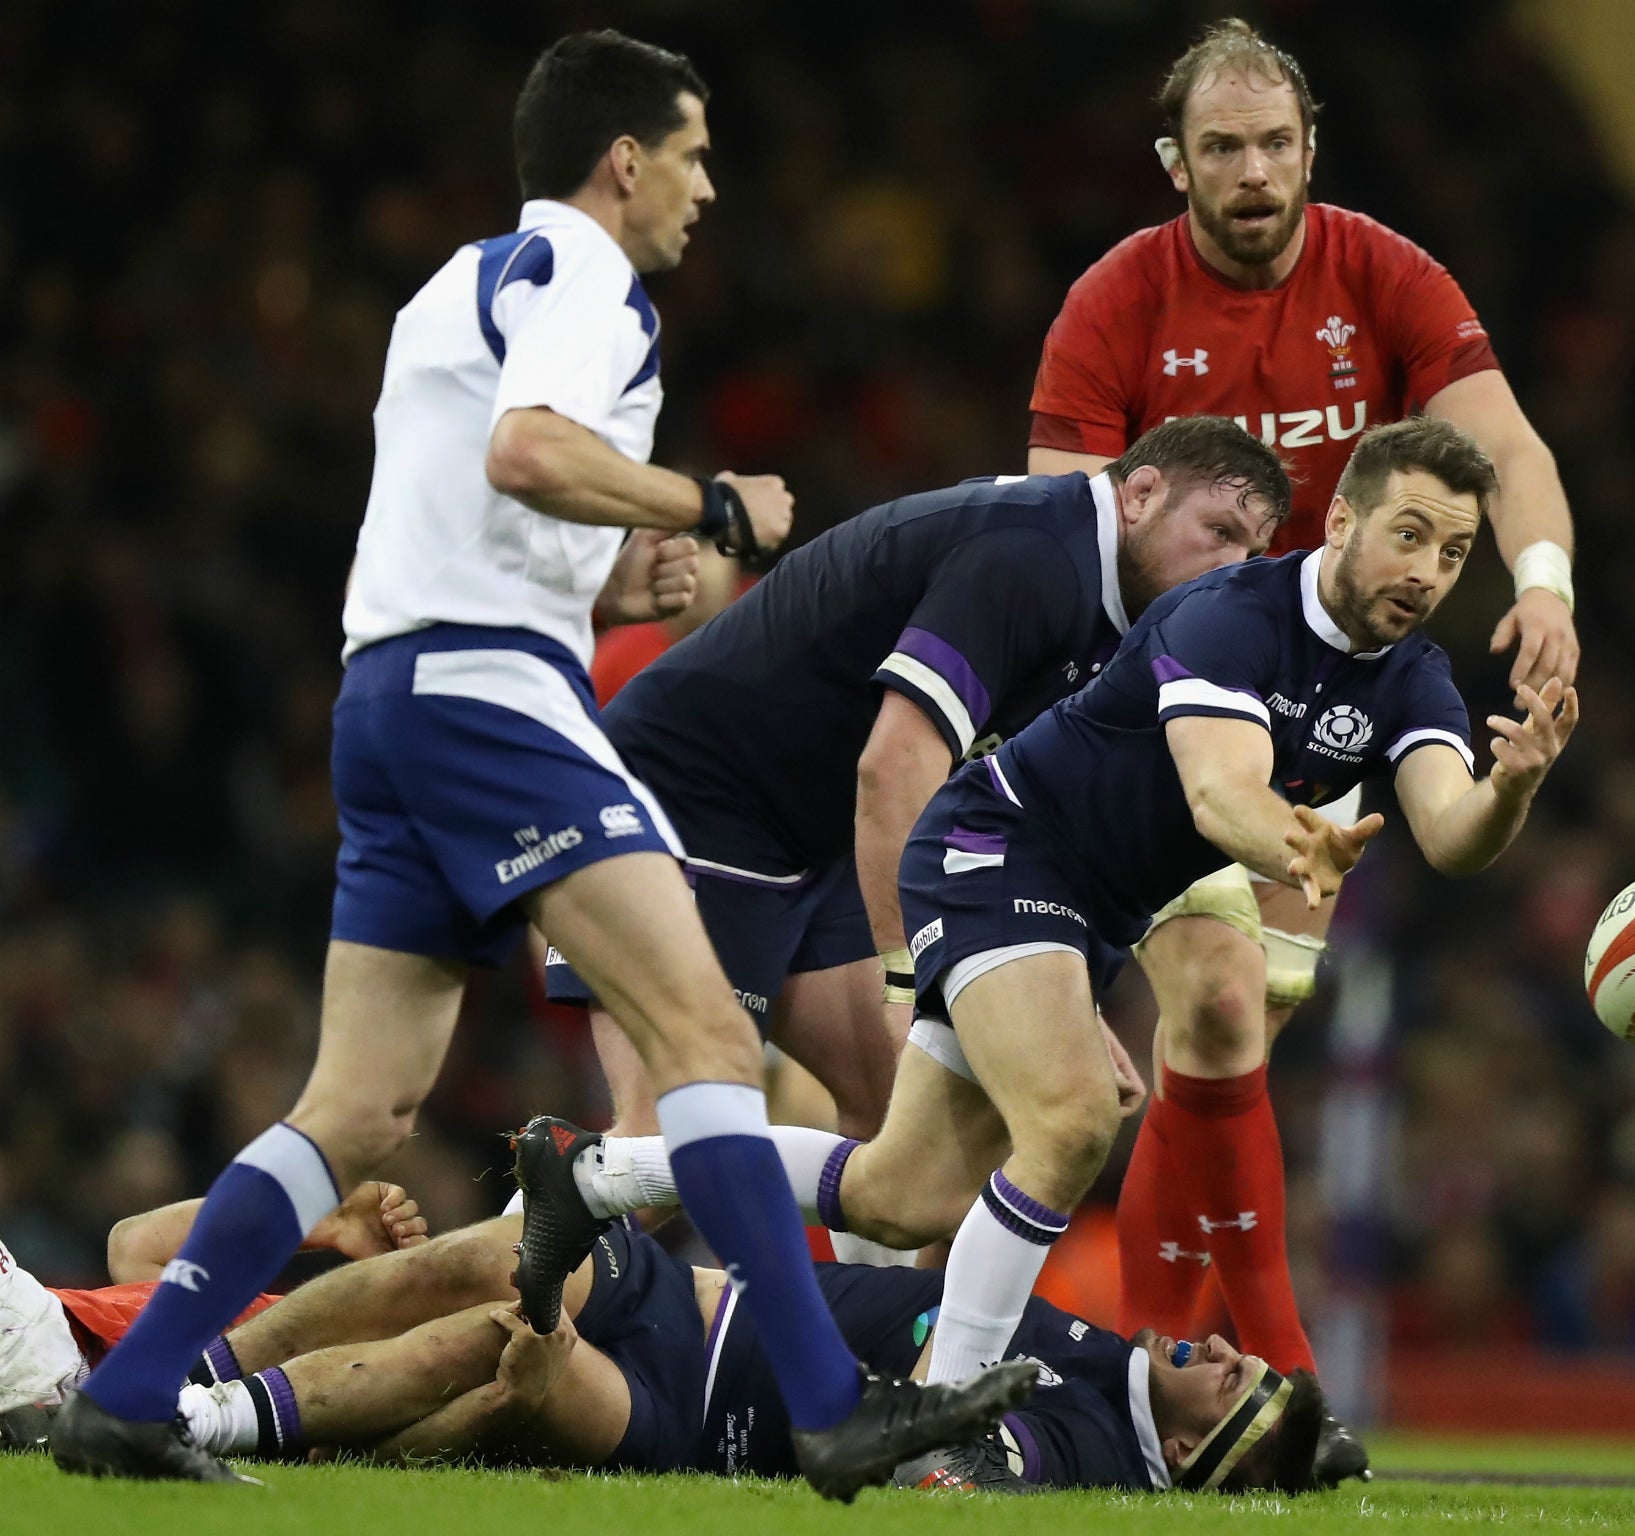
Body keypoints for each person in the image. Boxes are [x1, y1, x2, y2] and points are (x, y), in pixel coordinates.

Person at [50, 30, 1031, 1497]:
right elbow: (526, 453)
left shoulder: (453, 283)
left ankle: (127, 1397)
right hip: (489, 704)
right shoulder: (589, 279)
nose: (707, 187)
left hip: (387, 693)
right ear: (624, 160)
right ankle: (833, 1409)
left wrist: (608, 587)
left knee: (359, 1103)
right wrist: (706, 506)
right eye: (693, 155)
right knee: (706, 1037)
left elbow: (487, 504)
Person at [1024, 17, 1582, 1380]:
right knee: (1211, 1004)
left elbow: (1502, 442)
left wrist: (1547, 584)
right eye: (1224, 148)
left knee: (1223, 1045)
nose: (1256, 171)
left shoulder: (1382, 273)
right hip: (1162, 703)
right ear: (1177, 164)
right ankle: (1279, 1368)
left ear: (1311, 147)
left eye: (1277, 143)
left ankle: (1149, 1381)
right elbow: (1050, 532)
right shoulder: (1115, 302)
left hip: (1323, 711)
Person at [517, 417, 1289, 1274]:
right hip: (685, 807)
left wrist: (1063, 1004)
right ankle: (460, 1318)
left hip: (816, 839)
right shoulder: (1034, 553)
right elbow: (895, 770)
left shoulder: (1119, 605)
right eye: (1217, 532)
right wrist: (909, 971)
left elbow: (1020, 817)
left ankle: (893, 1381)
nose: (1230, 569)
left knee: (921, 1144)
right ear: (1140, 495)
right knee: (663, 1153)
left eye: (1250, 553)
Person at [148, 1211, 1329, 1493]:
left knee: (507, 1341)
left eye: (1233, 1383)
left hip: (686, 1415)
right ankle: (195, 1378)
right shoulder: (1116, 1363)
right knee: (488, 1258)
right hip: (693, 1293)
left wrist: (954, 1447)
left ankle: (204, 1419)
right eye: (1246, 1358)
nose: (1224, 1347)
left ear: (1185, 1447)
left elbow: (953, 1475)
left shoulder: (1082, 1445)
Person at [0, 1183, 426, 1448]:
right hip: (56, 1340)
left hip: (56, 1362)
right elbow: (133, 1243)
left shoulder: (374, 1371)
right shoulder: (267, 1311)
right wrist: (334, 1221)